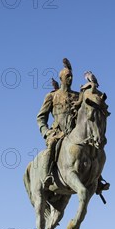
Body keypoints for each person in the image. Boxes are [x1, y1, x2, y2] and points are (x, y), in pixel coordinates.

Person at [36, 58, 80, 189]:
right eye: (68, 76)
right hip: (58, 133)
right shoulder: (52, 96)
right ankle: (47, 175)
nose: (70, 79)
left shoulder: (78, 96)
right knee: (51, 145)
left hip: (74, 133)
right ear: (61, 78)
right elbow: (41, 117)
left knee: (91, 147)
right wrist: (46, 132)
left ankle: (97, 179)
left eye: (71, 76)